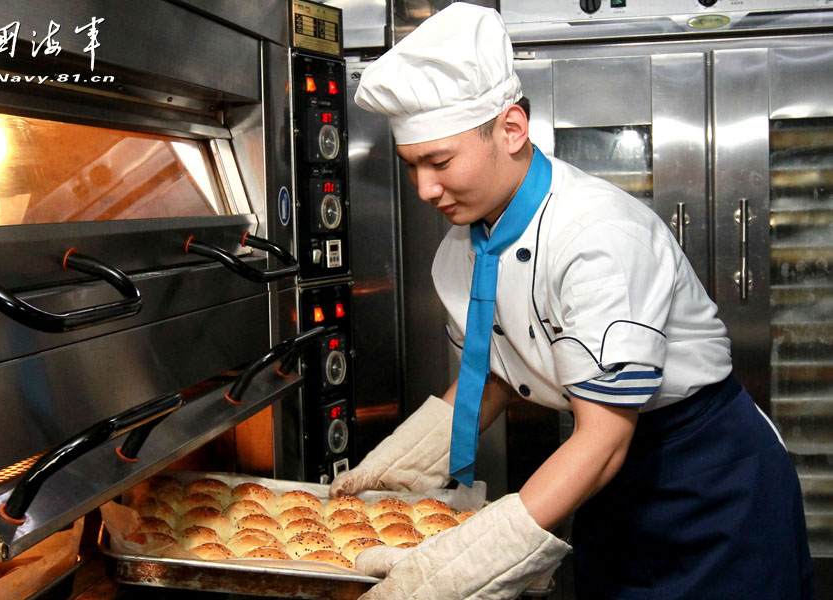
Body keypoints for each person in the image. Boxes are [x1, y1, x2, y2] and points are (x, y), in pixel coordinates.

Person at [329, 3, 815, 600]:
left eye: (440, 162)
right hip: (603, 483)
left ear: (511, 129)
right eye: (411, 167)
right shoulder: (460, 250)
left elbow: (603, 438)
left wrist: (465, 567)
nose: (426, 189)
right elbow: (498, 375)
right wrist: (401, 465)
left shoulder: (596, 237)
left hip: (708, 480)